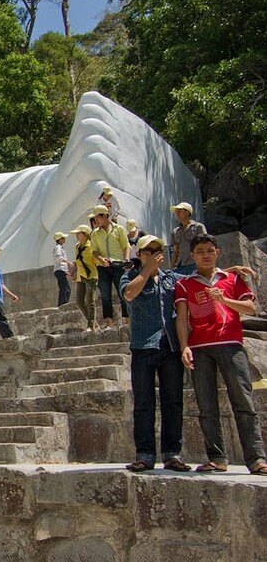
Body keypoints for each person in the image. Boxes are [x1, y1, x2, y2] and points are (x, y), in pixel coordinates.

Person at [175, 234, 267, 475]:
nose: (205, 255)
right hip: (199, 347)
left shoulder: (232, 279)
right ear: (192, 256)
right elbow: (183, 319)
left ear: (217, 252)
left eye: (209, 250)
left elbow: (250, 308)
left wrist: (224, 299)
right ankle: (217, 459)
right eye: (199, 251)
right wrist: (184, 346)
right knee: (206, 406)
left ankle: (257, 458)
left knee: (244, 402)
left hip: (230, 343)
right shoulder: (185, 284)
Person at [120, 235, 189, 472]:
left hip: (169, 346)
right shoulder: (129, 276)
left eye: (157, 249)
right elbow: (129, 294)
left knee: (173, 401)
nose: (153, 253)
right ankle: (145, 454)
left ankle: (172, 453)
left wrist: (227, 271)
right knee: (143, 403)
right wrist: (147, 270)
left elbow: (196, 279)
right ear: (139, 254)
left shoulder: (171, 278)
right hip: (143, 346)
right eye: (148, 250)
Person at [90, 204, 130, 327]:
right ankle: (109, 322)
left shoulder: (118, 229)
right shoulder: (95, 234)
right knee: (106, 296)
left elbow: (126, 245)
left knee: (122, 293)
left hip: (117, 265)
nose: (96, 221)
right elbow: (94, 251)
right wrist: (101, 259)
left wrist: (127, 259)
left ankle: (127, 320)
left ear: (105, 216)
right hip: (103, 267)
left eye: (98, 218)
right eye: (95, 218)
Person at [70, 225, 99, 332]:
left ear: (85, 234)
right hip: (81, 276)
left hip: (91, 276)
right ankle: (94, 324)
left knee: (90, 301)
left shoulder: (92, 246)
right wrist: (74, 273)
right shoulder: (77, 247)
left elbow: (96, 261)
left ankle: (91, 326)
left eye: (79, 233)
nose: (77, 235)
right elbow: (78, 262)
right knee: (79, 301)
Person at [170, 202, 206, 275]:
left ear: (187, 212)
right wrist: (172, 268)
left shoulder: (198, 227)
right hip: (180, 265)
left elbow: (205, 246)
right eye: (176, 212)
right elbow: (175, 251)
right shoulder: (175, 231)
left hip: (195, 263)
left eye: (179, 211)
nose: (177, 214)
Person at [52, 232, 72, 306]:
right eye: (63, 238)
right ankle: (62, 304)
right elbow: (59, 258)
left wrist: (67, 271)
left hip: (61, 270)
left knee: (65, 288)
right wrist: (69, 263)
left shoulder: (60, 247)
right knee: (65, 288)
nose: (64, 239)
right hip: (59, 270)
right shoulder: (58, 248)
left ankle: (62, 304)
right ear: (60, 239)